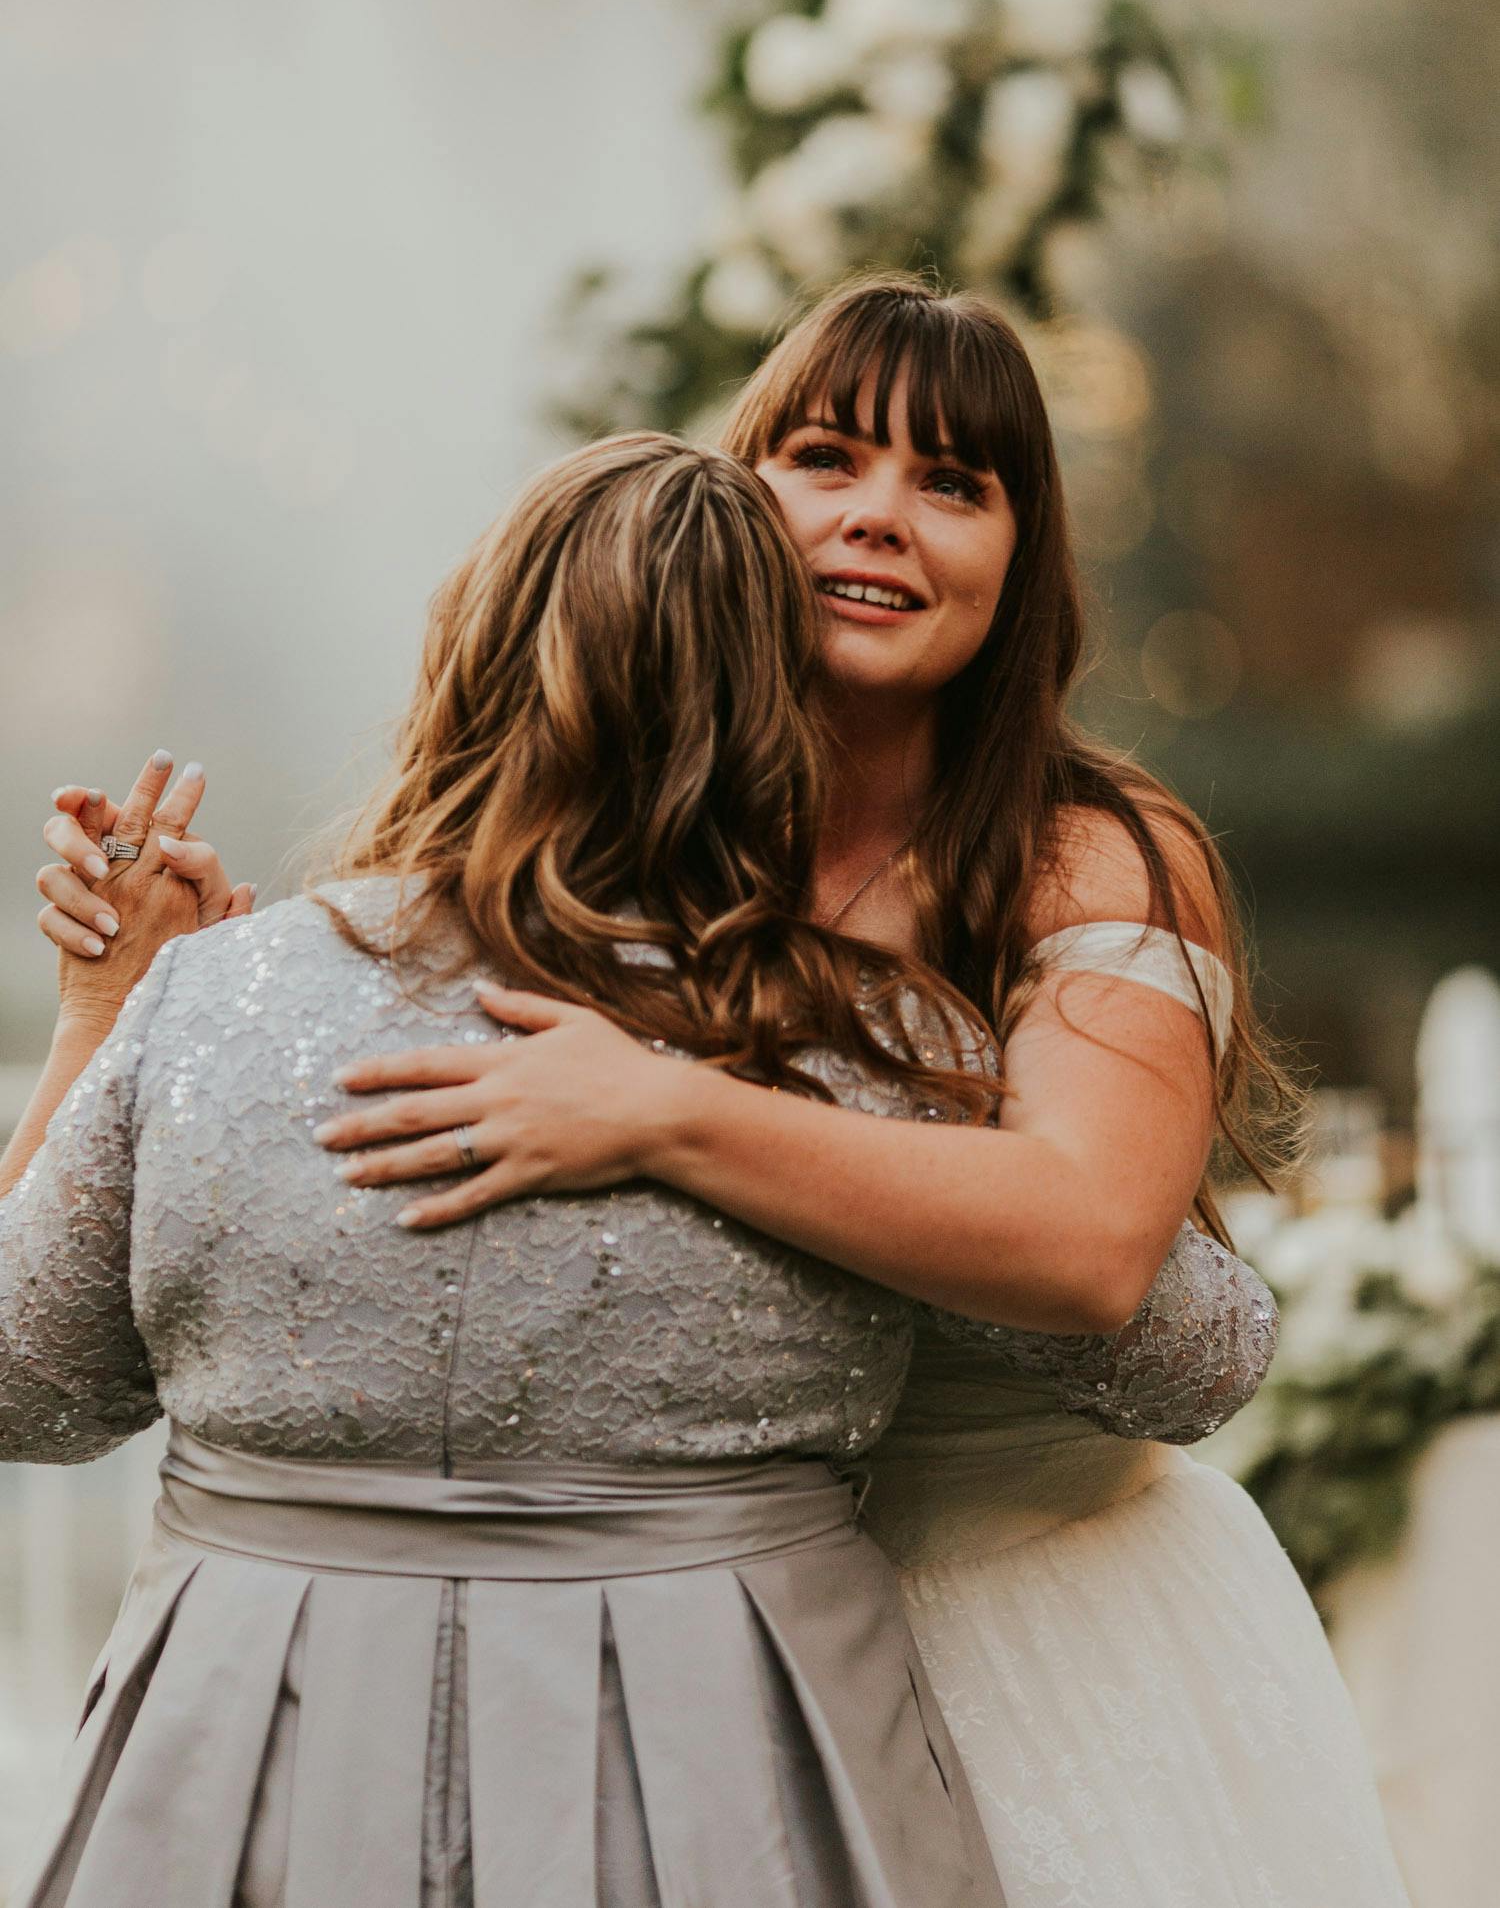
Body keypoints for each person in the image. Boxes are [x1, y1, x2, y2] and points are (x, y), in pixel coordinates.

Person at [31, 276, 1409, 1904]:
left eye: (951, 482)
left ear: (1023, 558)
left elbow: (1114, 1260)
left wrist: (667, 1112)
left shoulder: (1088, 852)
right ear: (735, 500)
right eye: (827, 459)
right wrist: (140, 1013)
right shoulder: (607, 851)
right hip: (682, 1646)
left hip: (1015, 1604)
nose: (879, 514)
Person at [4, 434, 1025, 1908]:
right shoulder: (884, 1044)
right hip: (724, 1778)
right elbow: (1186, 1358)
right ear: (780, 707)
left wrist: (107, 1016)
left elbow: (16, 1384)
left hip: (246, 1772)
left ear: (467, 658)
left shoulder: (213, 1000)